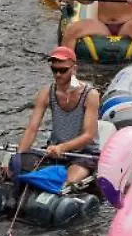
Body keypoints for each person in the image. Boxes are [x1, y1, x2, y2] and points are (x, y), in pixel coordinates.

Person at [8, 46, 100, 186]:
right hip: (54, 150)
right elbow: (32, 129)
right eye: (54, 70)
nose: (58, 74)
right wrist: (17, 158)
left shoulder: (90, 95)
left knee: (68, 182)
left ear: (74, 69)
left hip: (83, 154)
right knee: (15, 167)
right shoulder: (46, 93)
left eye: (63, 70)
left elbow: (88, 135)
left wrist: (62, 148)